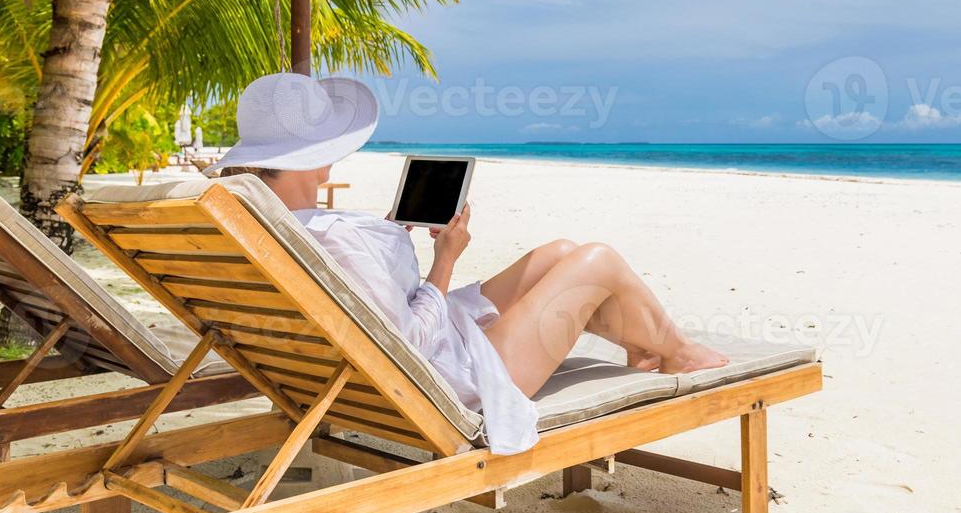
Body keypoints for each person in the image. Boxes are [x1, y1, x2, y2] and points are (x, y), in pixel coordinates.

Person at [207, 74, 727, 454]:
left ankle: (641, 343)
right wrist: (445, 260)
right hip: (451, 381)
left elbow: (368, 305)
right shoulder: (335, 235)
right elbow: (409, 343)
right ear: (321, 155)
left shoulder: (267, 224)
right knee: (598, 260)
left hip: (377, 370)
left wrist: (388, 237)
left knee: (560, 254)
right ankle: (676, 350)